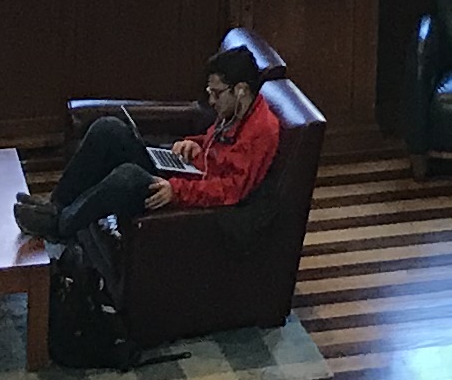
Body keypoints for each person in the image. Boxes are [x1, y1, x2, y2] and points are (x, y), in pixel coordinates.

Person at [21, 43, 280, 246]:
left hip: (185, 193)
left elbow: (231, 190)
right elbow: (215, 142)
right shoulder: (236, 112)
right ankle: (56, 205)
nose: (210, 100)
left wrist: (176, 190)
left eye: (216, 93)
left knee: (129, 176)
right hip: (183, 174)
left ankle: (59, 226)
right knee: (107, 128)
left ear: (241, 90)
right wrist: (193, 143)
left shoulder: (261, 131)